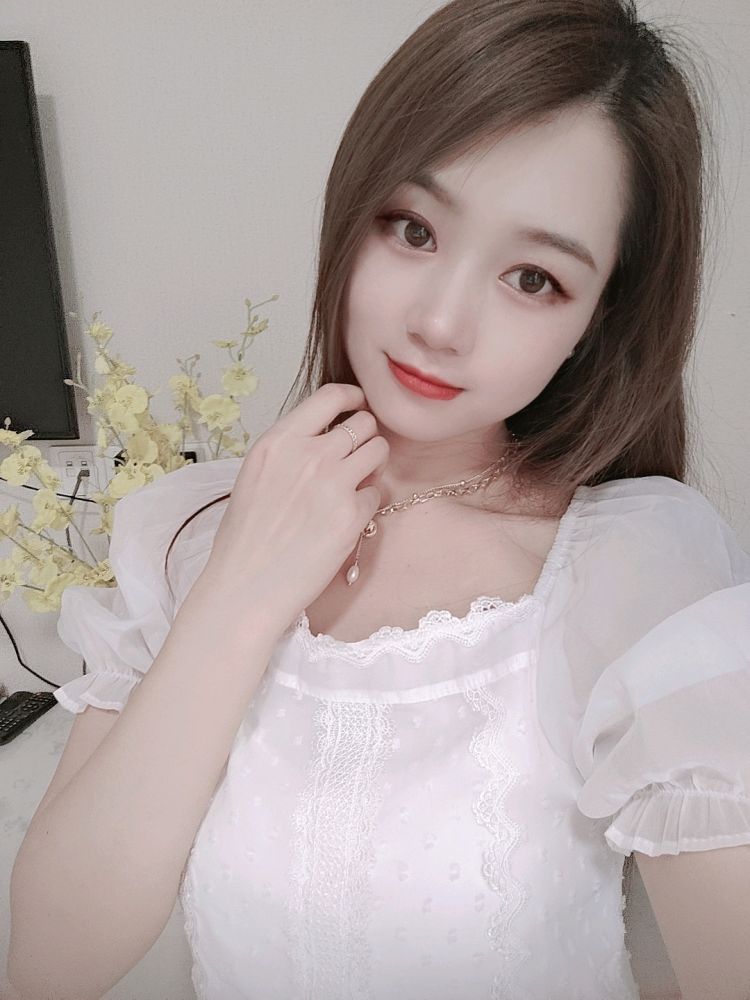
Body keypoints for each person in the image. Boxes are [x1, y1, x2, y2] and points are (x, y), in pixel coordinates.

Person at [9, 0, 750, 998]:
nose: (440, 321)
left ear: (596, 321)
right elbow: (48, 965)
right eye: (414, 228)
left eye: (532, 278)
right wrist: (238, 591)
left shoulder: (630, 572)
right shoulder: (187, 535)